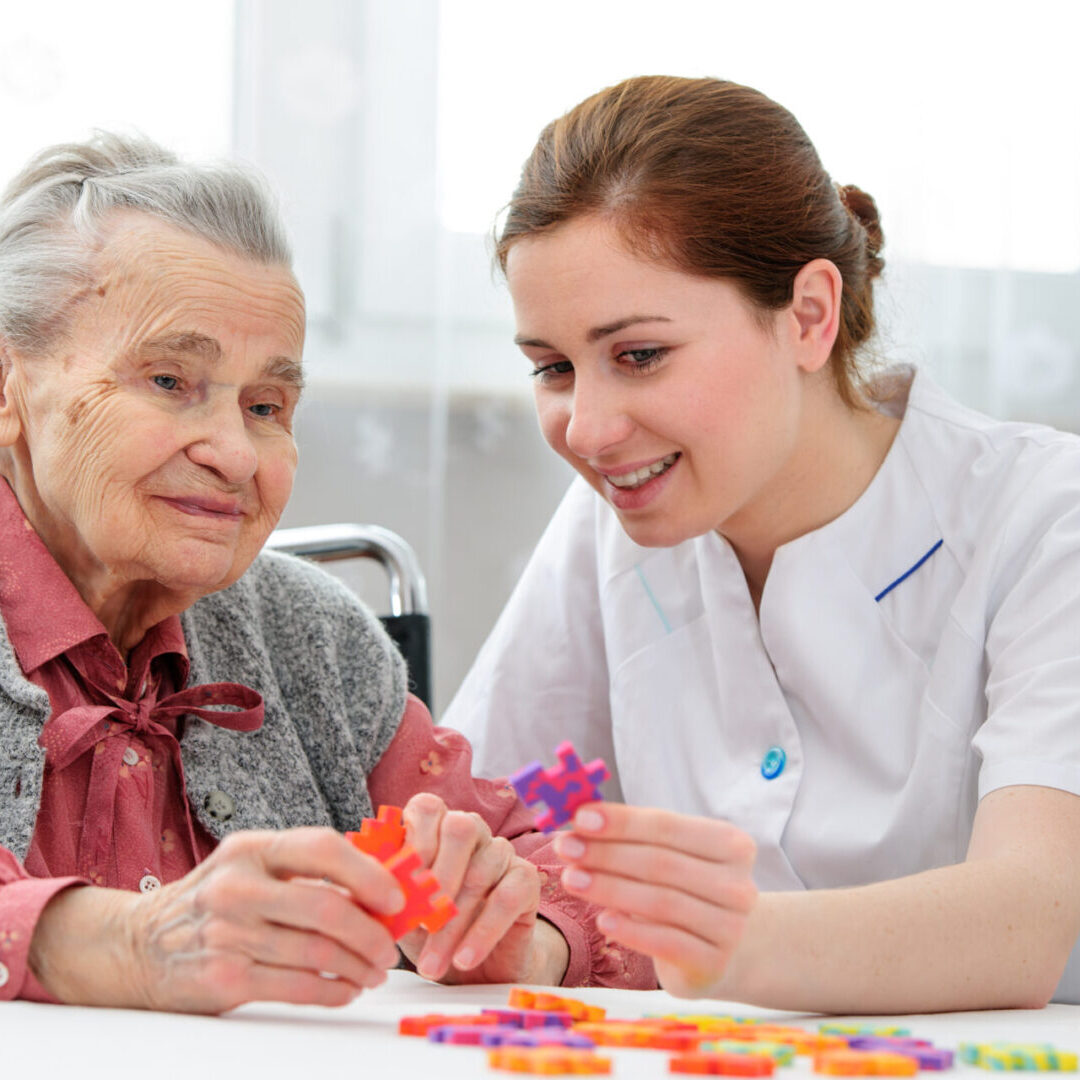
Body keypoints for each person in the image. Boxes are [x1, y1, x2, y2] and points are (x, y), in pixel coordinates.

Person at [443, 75, 1080, 1012]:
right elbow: (499, 809)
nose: (586, 429)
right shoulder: (612, 521)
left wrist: (709, 942)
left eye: (640, 355)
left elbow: (1025, 919)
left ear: (810, 317)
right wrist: (496, 919)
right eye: (551, 368)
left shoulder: (1042, 518)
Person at [0, 132, 656, 1012]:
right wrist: (121, 944)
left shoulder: (314, 640)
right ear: (10, 388)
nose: (235, 453)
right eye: (168, 380)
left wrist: (517, 936)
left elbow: (564, 873)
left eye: (267, 406)